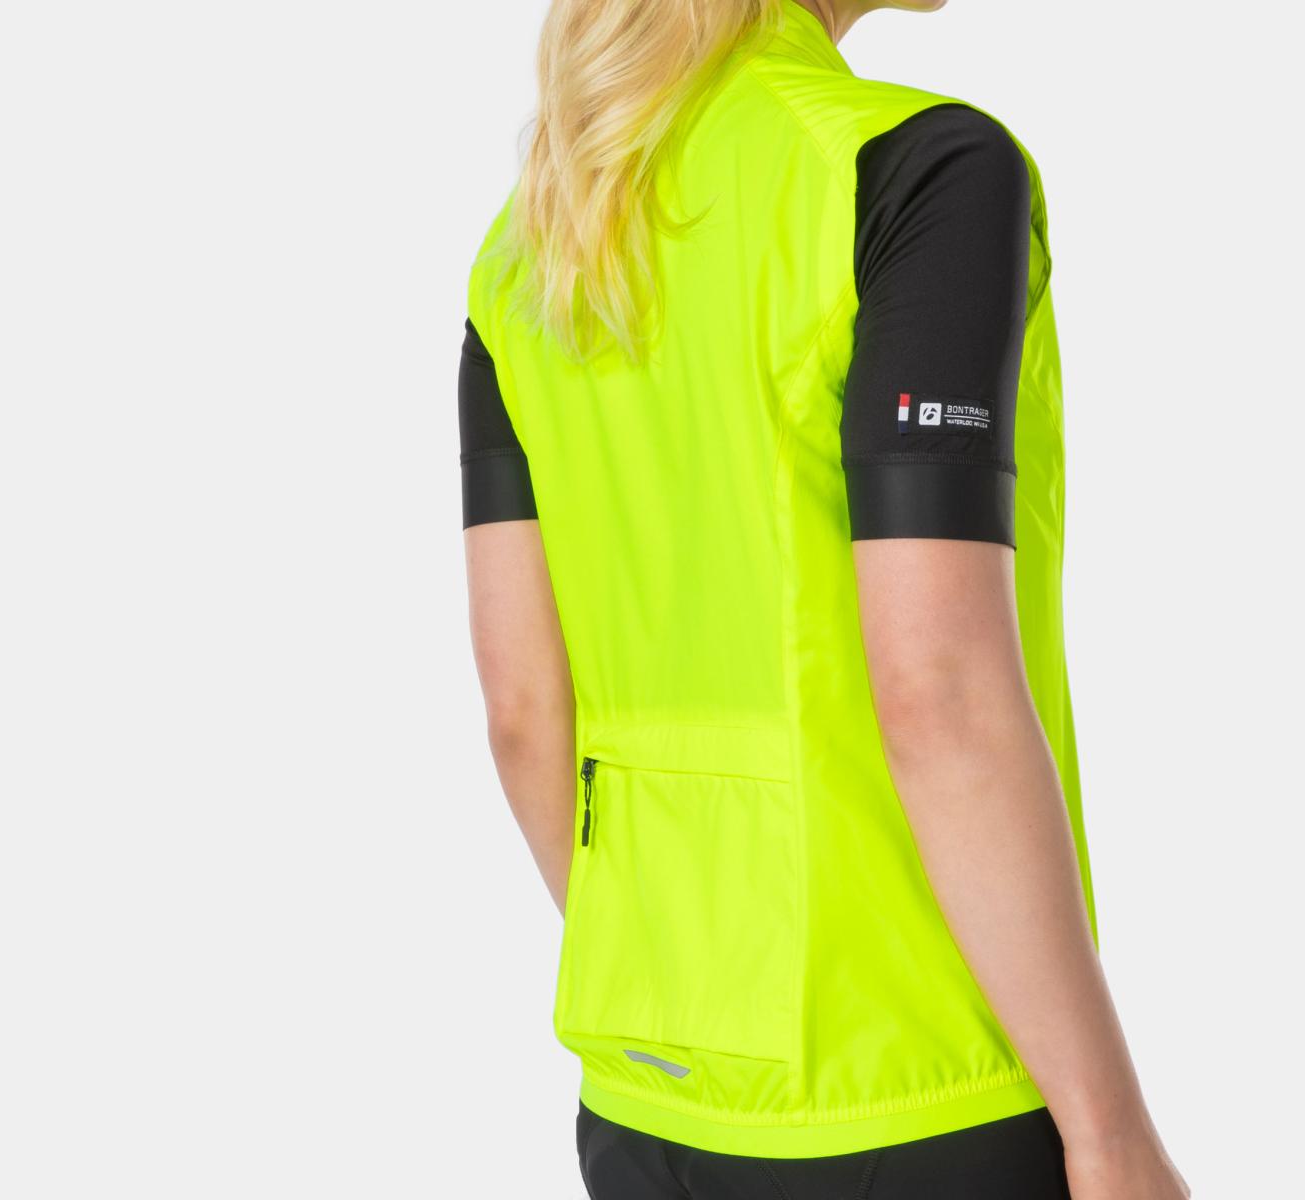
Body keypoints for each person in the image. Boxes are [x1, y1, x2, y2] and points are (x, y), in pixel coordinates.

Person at [458, 1, 1188, 1196]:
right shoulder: (911, 172)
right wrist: (1108, 1132)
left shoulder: (541, 234)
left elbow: (523, 714)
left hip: (643, 1102)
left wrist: (674, 991)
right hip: (914, 1092)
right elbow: (938, 692)